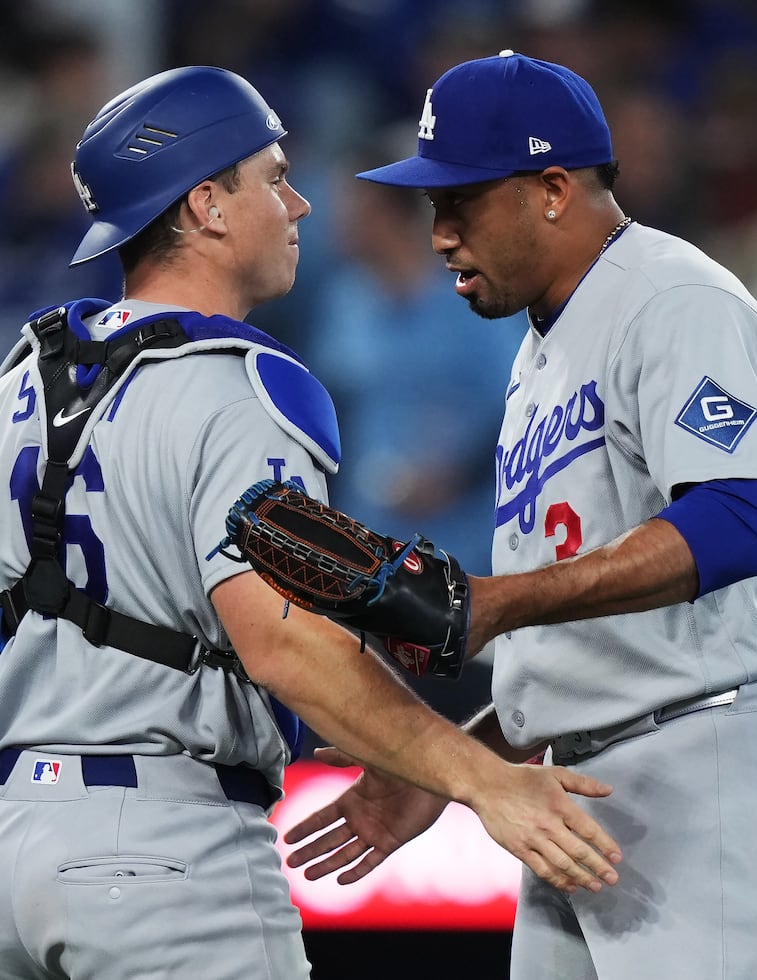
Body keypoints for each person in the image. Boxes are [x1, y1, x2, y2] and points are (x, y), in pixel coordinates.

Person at [0, 65, 623, 980]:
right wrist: (483, 780)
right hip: (160, 845)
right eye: (275, 178)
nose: (298, 206)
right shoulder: (239, 384)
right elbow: (285, 643)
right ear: (207, 204)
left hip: (16, 830)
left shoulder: (23, 376)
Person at [284, 51, 757, 980]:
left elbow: (734, 521)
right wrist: (454, 766)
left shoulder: (674, 298)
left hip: (709, 772)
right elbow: (582, 641)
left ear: (552, 190)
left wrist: (497, 602)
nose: (440, 235)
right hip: (579, 781)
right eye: (432, 206)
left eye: (460, 201)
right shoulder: (543, 348)